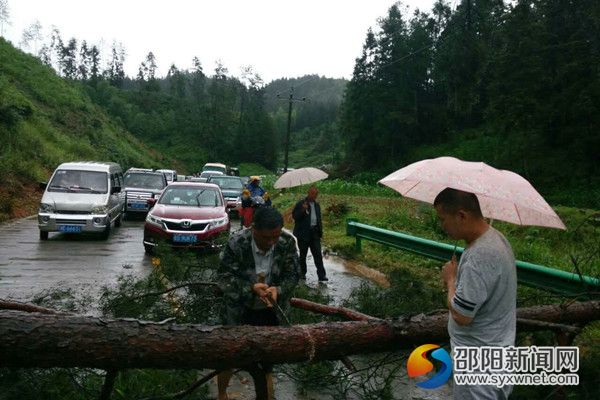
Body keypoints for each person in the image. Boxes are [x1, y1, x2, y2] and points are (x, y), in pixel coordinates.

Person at [434, 188, 517, 400]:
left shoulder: (479, 256)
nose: (441, 226)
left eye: (442, 219)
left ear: (461, 215)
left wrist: (450, 280)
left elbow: (462, 316)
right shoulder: (497, 239)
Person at [217, 207, 300, 400]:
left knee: (266, 361)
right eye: (265, 238)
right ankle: (221, 394)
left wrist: (278, 291)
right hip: (239, 310)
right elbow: (223, 277)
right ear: (254, 229)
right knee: (229, 356)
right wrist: (250, 288)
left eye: (275, 237)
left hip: (270, 312)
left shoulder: (287, 242)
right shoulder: (237, 243)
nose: (271, 242)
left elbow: (293, 274)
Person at [292, 186, 328, 281]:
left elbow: (318, 219)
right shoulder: (301, 203)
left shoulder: (317, 205)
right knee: (303, 255)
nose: (314, 196)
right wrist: (303, 210)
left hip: (314, 233)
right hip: (303, 234)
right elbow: (295, 216)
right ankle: (302, 274)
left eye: (316, 194)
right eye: (312, 193)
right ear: (308, 193)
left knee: (318, 255)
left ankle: (321, 275)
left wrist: (320, 232)